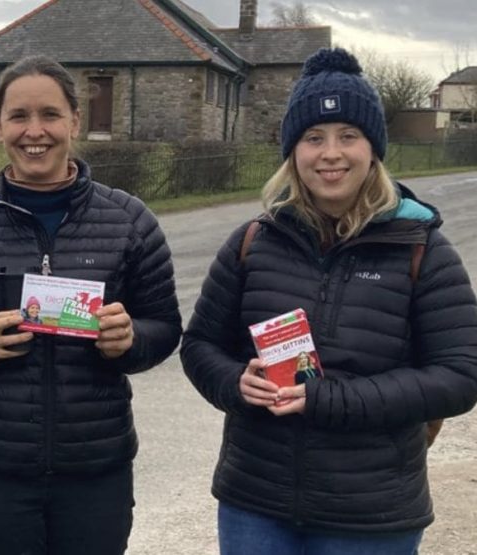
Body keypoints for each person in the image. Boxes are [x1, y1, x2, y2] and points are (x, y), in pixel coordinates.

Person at [180, 47, 477, 555]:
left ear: (373, 148)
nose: (330, 153)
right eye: (313, 138)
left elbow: (460, 376)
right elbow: (201, 345)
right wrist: (235, 381)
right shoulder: (252, 241)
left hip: (372, 515)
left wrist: (329, 400)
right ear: (293, 152)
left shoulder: (423, 248)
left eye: (348, 136)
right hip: (256, 503)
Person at [0, 55, 181, 555]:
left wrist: (131, 340)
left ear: (74, 121)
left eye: (50, 115)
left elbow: (165, 327)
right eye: (19, 116)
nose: (35, 131)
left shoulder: (129, 221)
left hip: (96, 469)